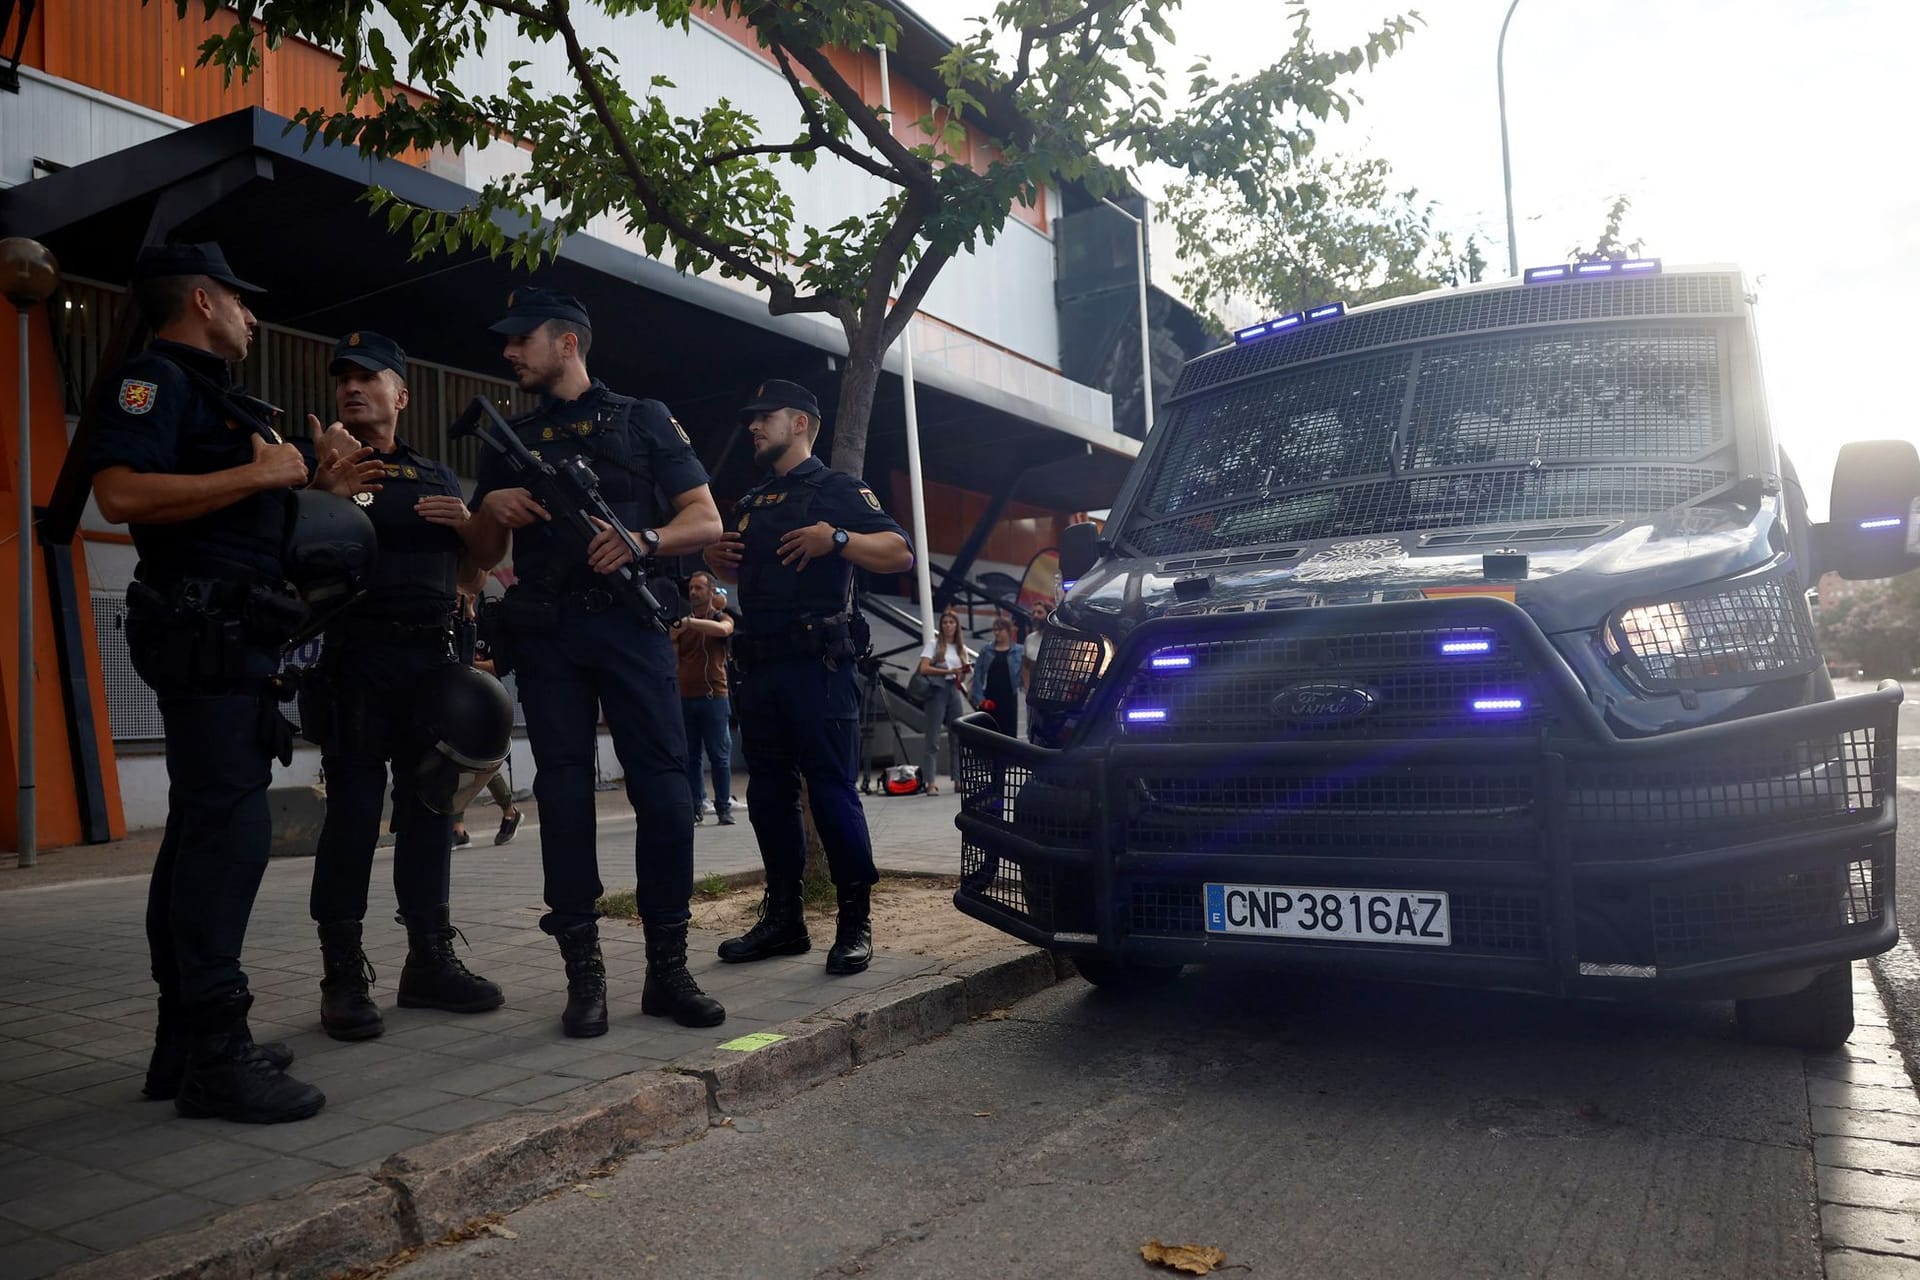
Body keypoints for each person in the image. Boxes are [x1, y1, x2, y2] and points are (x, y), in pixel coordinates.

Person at [87, 242, 379, 1124]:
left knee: (203, 830)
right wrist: (261, 471)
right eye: (241, 303)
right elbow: (120, 495)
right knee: (229, 834)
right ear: (204, 300)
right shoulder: (154, 380)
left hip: (231, 633)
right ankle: (218, 1051)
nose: (253, 317)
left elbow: (238, 515)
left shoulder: (213, 395)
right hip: (200, 631)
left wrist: (306, 485)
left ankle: (185, 1040)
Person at [464, 287, 726, 1037]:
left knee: (669, 797)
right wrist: (492, 510)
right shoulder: (507, 439)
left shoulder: (642, 418)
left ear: (568, 342)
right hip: (550, 638)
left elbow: (704, 518)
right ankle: (585, 979)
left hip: (633, 626)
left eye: (523, 340)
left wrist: (643, 542)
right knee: (568, 800)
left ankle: (668, 974)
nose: (510, 352)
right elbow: (482, 557)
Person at [303, 330, 505, 1042]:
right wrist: (322, 491)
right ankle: (342, 975)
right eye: (344, 379)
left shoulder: (435, 474)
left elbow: (479, 565)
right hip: (358, 662)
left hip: (431, 665)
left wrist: (474, 528)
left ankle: (428, 963)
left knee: (429, 815)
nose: (353, 387)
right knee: (353, 817)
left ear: (401, 394)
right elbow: (291, 558)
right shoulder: (320, 467)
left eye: (370, 377)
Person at [703, 379, 915, 975]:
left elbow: (900, 552)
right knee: (768, 795)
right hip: (761, 665)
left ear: (800, 423)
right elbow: (732, 568)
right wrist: (712, 560)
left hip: (818, 666)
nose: (752, 427)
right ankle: (784, 920)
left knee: (830, 792)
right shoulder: (750, 501)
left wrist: (837, 538)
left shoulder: (837, 490)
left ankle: (854, 922)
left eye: (763, 417)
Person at [454, 571, 522, 849]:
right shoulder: (452, 622)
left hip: (487, 701)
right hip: (458, 699)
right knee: (459, 758)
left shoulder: (491, 617)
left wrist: (467, 662)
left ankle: (509, 811)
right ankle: (458, 826)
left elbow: (498, 666)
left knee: (481, 760)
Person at [674, 570, 736, 825]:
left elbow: (724, 630)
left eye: (699, 587)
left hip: (714, 697)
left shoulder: (721, 617)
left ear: (711, 591)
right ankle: (696, 806)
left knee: (719, 756)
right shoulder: (683, 623)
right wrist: (685, 624)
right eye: (691, 588)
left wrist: (689, 623)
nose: (693, 592)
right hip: (685, 697)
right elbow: (669, 637)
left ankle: (723, 807)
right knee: (691, 757)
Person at [915, 609, 972, 795]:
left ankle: (958, 779)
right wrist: (949, 671)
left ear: (957, 626)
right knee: (933, 737)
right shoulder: (934, 644)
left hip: (953, 690)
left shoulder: (960, 648)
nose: (948, 626)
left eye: (951, 622)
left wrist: (962, 672)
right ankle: (930, 781)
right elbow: (924, 668)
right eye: (945, 622)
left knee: (958, 736)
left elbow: (960, 678)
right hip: (937, 690)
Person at [971, 617, 1024, 738]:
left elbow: (1024, 673)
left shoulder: (1019, 651)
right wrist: (979, 698)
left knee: (1009, 733)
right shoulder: (986, 650)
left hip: (1009, 697)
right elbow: (978, 675)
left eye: (1000, 630)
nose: (997, 633)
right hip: (990, 696)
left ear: (1008, 631)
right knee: (989, 732)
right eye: (995, 630)